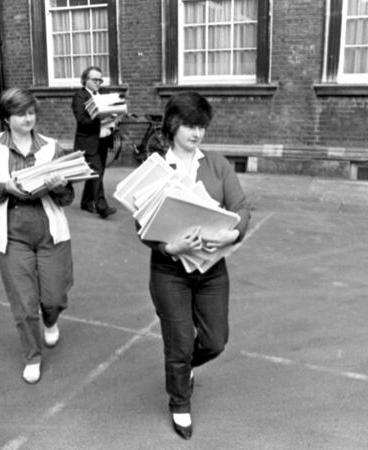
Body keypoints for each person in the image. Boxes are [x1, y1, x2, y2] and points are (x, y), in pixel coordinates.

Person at [139, 93, 251, 440]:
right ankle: (180, 403)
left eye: (202, 125)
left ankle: (183, 368)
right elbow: (142, 225)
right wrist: (170, 246)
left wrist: (230, 235)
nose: (197, 132)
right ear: (173, 125)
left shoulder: (217, 164)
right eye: (190, 124)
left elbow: (242, 208)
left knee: (216, 341)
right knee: (179, 341)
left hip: (211, 268)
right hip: (170, 269)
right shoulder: (155, 168)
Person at [0, 87, 75, 384]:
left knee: (54, 296)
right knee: (25, 303)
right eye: (21, 114)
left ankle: (51, 320)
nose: (28, 118)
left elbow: (67, 197)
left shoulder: (51, 147)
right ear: (6, 117)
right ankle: (32, 355)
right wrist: (4, 188)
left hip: (49, 228)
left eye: (31, 112)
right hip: (12, 231)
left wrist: (58, 186)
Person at [71, 66, 117, 219]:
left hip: (103, 139)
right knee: (96, 171)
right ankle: (102, 206)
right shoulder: (79, 96)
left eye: (100, 79)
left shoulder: (103, 95)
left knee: (98, 172)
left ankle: (86, 202)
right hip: (88, 141)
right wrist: (102, 120)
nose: (98, 82)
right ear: (85, 80)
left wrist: (115, 117)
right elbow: (82, 120)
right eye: (95, 79)